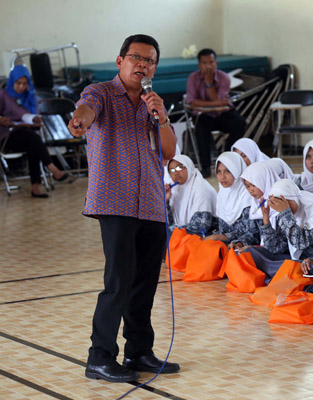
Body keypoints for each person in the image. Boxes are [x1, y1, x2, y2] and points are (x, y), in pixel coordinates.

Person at [68, 34, 179, 382]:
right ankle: (99, 357)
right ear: (121, 62)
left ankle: (139, 351)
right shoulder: (101, 92)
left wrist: (160, 117)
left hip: (150, 202)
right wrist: (80, 120)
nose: (142, 65)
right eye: (136, 58)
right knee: (119, 281)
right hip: (114, 201)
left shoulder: (153, 104)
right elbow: (86, 110)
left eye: (150, 61)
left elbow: (169, 152)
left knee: (144, 283)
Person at [0, 65, 70, 197]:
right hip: (6, 136)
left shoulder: (29, 96)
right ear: (12, 81)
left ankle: (35, 187)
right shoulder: (3, 95)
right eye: (18, 83)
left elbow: (32, 116)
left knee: (33, 142)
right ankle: (53, 169)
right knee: (33, 140)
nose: (21, 87)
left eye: (24, 84)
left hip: (26, 134)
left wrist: (36, 120)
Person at [244, 179, 313, 281]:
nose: (281, 207)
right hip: (295, 261)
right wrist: (266, 219)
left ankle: (276, 274)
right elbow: (275, 248)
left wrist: (286, 213)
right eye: (276, 202)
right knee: (250, 252)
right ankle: (280, 273)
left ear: (293, 198)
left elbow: (300, 243)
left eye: (284, 202)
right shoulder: (283, 212)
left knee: (293, 267)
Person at [186, 48, 245, 177]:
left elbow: (220, 102)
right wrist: (214, 104)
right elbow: (192, 102)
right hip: (204, 115)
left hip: (222, 114)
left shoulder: (223, 77)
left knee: (239, 123)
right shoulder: (193, 78)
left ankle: (227, 158)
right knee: (201, 130)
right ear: (199, 65)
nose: (208, 66)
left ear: (216, 63)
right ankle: (205, 168)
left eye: (211, 62)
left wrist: (209, 83)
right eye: (204, 63)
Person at [202, 151, 260, 246]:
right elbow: (222, 230)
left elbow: (253, 235)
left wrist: (218, 237)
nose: (222, 176)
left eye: (227, 171)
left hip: (242, 249)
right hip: (224, 246)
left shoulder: (248, 196)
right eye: (218, 171)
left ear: (237, 169)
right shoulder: (222, 194)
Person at [165, 154, 217, 236]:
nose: (175, 173)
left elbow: (200, 227)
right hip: (182, 238)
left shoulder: (201, 189)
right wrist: (166, 201)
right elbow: (172, 222)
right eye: (171, 171)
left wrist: (170, 231)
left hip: (200, 239)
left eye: (179, 167)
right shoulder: (176, 190)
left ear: (189, 167)